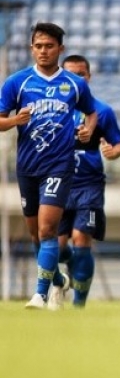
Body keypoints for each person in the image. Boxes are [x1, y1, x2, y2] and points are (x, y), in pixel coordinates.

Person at [0, 22, 98, 309]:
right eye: (38, 46)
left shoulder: (74, 84)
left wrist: (87, 130)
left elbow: (91, 114)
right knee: (35, 233)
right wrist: (14, 122)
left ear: (60, 49)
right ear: (32, 48)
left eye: (49, 46)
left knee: (47, 230)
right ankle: (56, 279)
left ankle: (40, 294)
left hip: (59, 165)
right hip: (28, 166)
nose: (43, 51)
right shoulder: (17, 82)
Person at [54, 55, 120, 309]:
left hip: (89, 186)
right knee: (55, 245)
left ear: (89, 77)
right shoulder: (54, 108)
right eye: (71, 74)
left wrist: (113, 152)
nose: (77, 79)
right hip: (58, 184)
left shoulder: (101, 111)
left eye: (81, 74)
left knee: (81, 238)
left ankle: (79, 305)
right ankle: (65, 274)